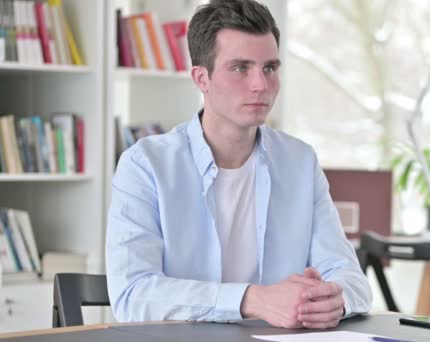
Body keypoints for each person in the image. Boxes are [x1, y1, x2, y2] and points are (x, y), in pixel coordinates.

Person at [106, 0, 372, 329]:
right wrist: (252, 300)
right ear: (201, 78)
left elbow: (351, 278)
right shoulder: (145, 165)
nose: (260, 84)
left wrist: (336, 299)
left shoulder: (300, 162)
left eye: (270, 68)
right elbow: (132, 295)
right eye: (240, 68)